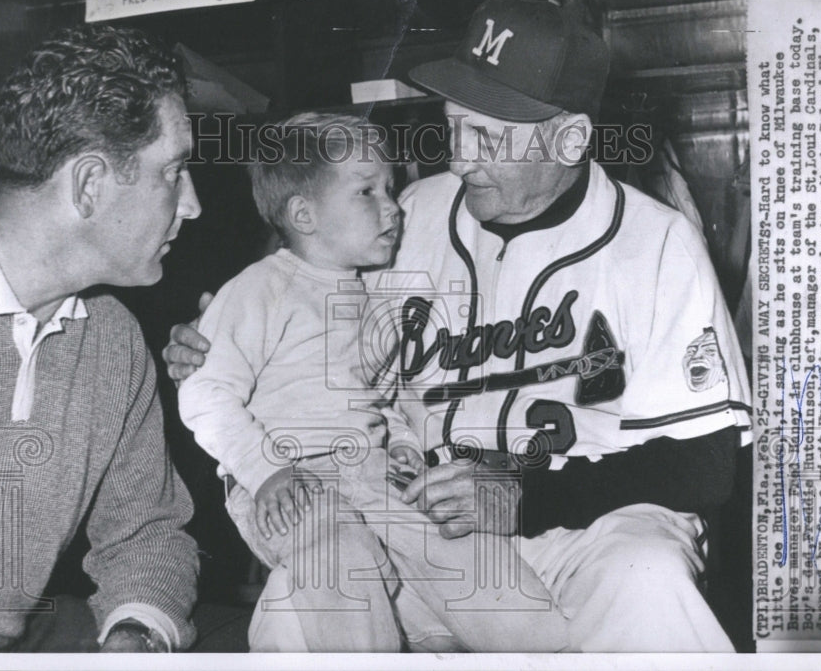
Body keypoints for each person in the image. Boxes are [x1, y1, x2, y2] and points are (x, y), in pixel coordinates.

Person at [165, 0, 752, 652]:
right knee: (301, 600)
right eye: (455, 126)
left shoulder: (657, 243)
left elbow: (705, 465)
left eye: (489, 137)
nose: (461, 156)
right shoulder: (412, 213)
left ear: (570, 139)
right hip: (427, 519)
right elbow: (296, 311)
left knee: (647, 580)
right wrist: (214, 336)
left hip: (596, 530)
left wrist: (524, 496)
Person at [177, 112, 571, 652]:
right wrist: (264, 471)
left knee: (461, 550)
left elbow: (381, 398)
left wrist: (404, 444)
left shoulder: (371, 296)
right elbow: (204, 393)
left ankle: (550, 649)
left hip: (369, 471)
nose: (392, 206)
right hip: (289, 481)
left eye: (389, 188)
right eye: (367, 191)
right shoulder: (259, 288)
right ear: (303, 214)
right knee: (343, 563)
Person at [0, 24, 202, 653]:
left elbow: (147, 533)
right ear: (88, 186)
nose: (191, 205)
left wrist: (138, 631)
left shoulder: (112, 339)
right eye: (175, 171)